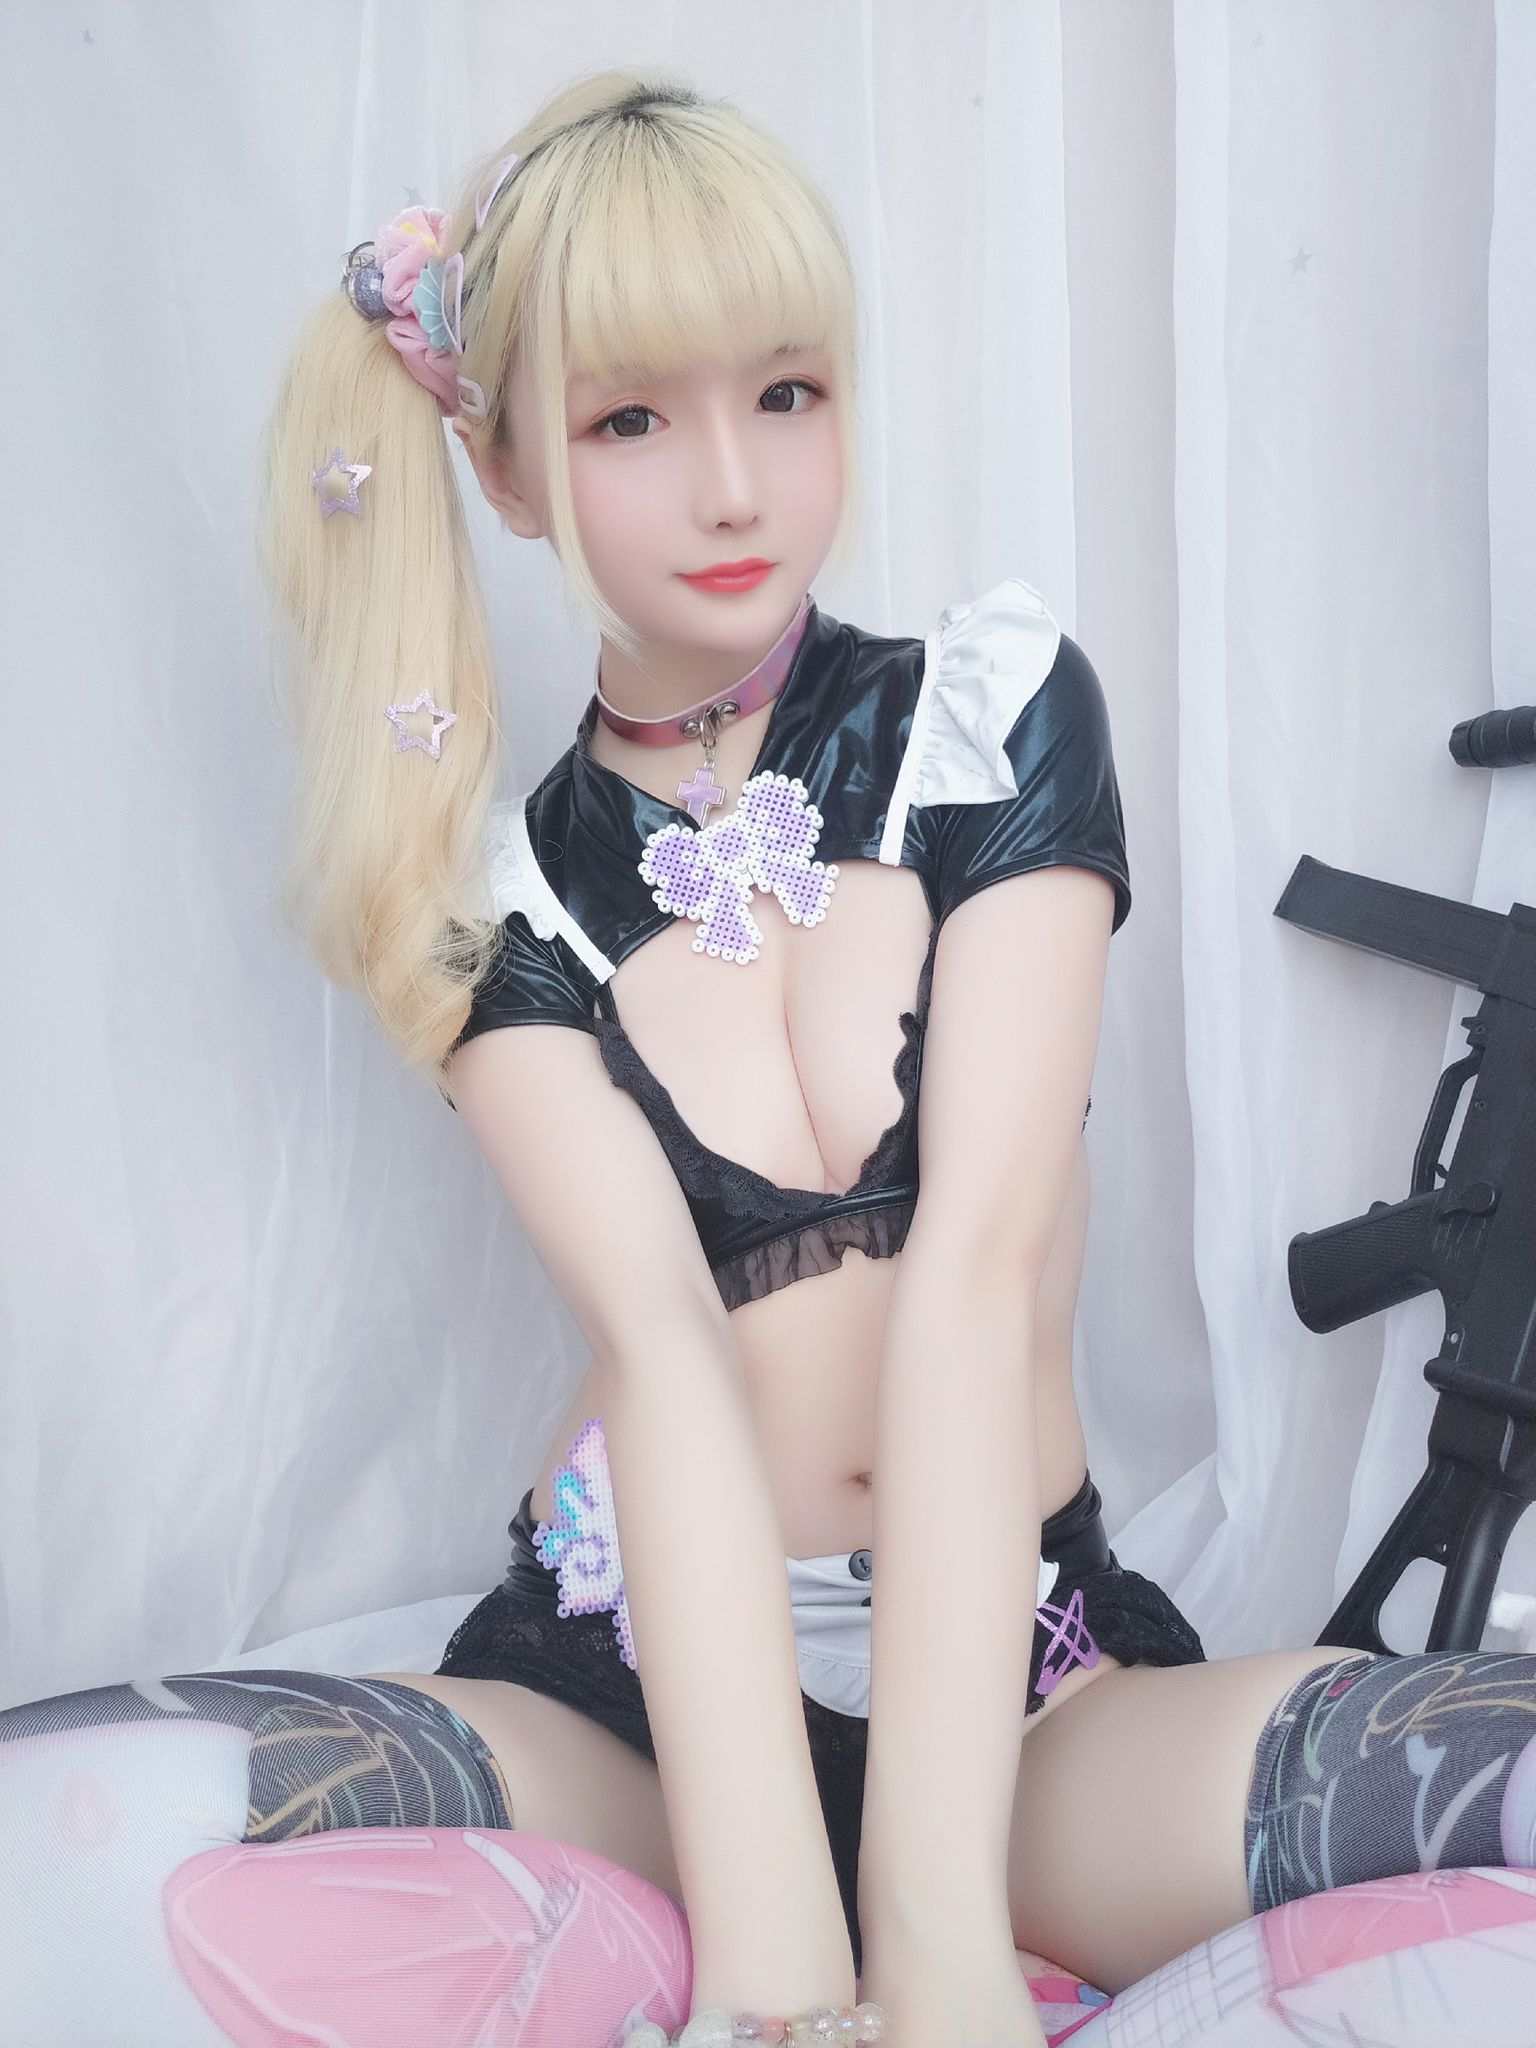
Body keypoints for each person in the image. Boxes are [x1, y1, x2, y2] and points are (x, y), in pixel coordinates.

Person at [8, 63, 1536, 2048]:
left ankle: (861, 1925)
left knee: (1492, 1780)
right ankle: (670, 1948)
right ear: (506, 469)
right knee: (90, 1819)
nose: (734, 486)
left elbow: (980, 1267)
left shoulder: (988, 715)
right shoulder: (488, 893)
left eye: (788, 393)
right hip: (631, 1713)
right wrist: (783, 1982)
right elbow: (662, 1358)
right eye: (632, 420)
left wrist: (937, 1942)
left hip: (1026, 1696)